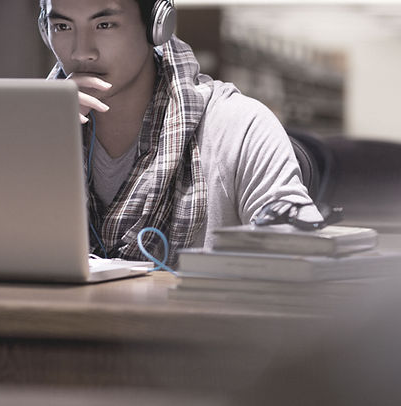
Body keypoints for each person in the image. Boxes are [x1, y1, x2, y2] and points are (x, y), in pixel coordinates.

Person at [37, 0, 316, 264]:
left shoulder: (240, 126)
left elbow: (301, 255)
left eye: (104, 25)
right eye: (62, 26)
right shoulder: (32, 133)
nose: (81, 52)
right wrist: (40, 143)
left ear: (156, 25)